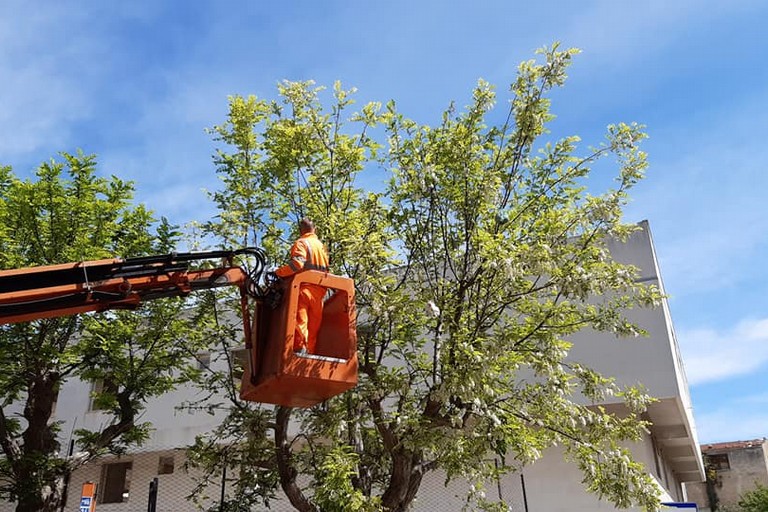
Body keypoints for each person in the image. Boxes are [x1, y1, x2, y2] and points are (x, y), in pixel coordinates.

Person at [275, 218, 329, 354]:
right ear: (314, 229)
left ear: (300, 231)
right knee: (313, 327)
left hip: (304, 290)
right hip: (319, 292)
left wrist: (279, 272)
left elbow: (297, 265)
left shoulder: (301, 243)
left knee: (300, 323)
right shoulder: (322, 247)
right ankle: (309, 353)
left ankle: (299, 351)